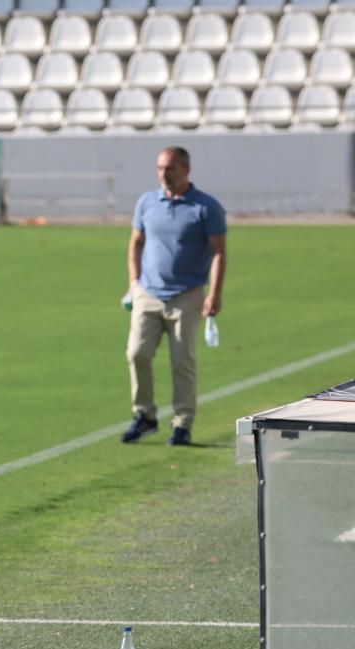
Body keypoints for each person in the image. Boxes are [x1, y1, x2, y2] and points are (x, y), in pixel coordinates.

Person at [122, 146, 227, 447]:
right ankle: (144, 415)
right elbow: (136, 243)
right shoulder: (147, 203)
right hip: (148, 293)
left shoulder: (205, 207)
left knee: (183, 361)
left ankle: (182, 424)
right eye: (159, 168)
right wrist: (134, 282)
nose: (163, 174)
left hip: (187, 294)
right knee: (136, 353)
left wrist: (214, 293)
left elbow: (219, 251)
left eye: (169, 168)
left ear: (185, 170)